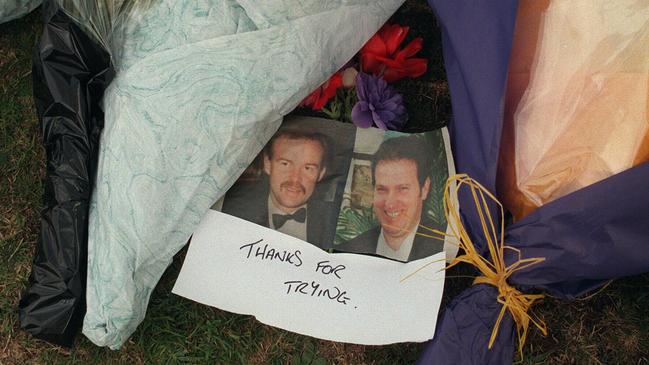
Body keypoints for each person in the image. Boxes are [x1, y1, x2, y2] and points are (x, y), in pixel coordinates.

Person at [221, 128, 334, 248]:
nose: (295, 179)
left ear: (321, 173)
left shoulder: (336, 225)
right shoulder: (231, 215)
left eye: (308, 168)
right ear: (268, 164)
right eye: (285, 164)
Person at [337, 136, 444, 261]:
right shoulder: (349, 250)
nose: (390, 203)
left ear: (424, 188)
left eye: (402, 189)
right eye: (382, 189)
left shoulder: (446, 248)